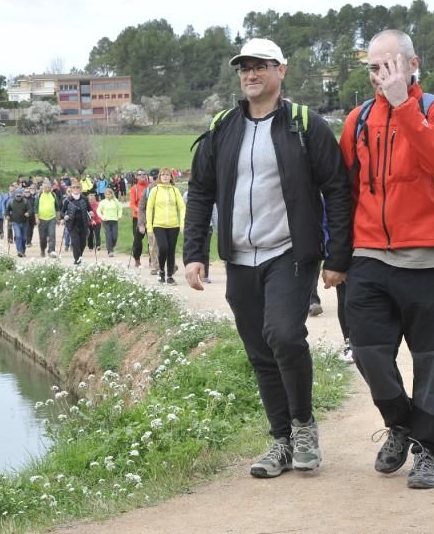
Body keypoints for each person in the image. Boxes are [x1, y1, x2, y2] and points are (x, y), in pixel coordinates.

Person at [184, 38, 352, 479]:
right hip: (239, 257)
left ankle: (303, 427)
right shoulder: (223, 127)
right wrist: (194, 253)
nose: (251, 74)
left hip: (290, 253)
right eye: (244, 67)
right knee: (259, 350)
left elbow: (337, 189)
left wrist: (338, 256)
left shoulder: (305, 125)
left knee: (285, 335)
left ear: (282, 70)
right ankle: (280, 440)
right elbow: (200, 192)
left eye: (260, 66)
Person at [337, 29, 434, 489]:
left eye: (388, 67)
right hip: (368, 253)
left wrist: (404, 105)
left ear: (412, 65)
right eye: (373, 68)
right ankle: (402, 424)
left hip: (426, 255)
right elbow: (345, 190)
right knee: (368, 353)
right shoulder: (358, 119)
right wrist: (337, 253)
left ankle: (431, 450)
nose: (379, 77)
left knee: (432, 362)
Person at [146, 168, 185, 285]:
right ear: (159, 177)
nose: (165, 176)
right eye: (162, 175)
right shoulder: (155, 190)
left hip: (173, 225)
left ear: (171, 177)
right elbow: (149, 208)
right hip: (159, 224)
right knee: (163, 248)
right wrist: (149, 227)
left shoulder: (175, 191)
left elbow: (182, 207)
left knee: (171, 251)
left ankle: (169, 276)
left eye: (167, 175)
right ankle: (161, 271)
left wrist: (182, 224)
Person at [138, 169, 162, 275]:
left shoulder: (165, 189)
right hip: (151, 222)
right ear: (150, 178)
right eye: (154, 178)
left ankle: (169, 264)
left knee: (166, 245)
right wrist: (141, 223)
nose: (156, 180)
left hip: (165, 221)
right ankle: (155, 266)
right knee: (153, 245)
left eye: (157, 177)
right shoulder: (148, 190)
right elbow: (141, 207)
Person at [62, 185, 91, 265]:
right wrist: (65, 216)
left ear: (80, 189)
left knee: (83, 243)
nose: (75, 189)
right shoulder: (67, 200)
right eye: (74, 187)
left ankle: (79, 256)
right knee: (75, 242)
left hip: (83, 223)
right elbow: (62, 212)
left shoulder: (84, 199)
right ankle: (77, 260)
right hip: (72, 224)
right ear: (71, 189)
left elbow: (89, 209)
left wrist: (91, 213)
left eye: (77, 187)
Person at [128, 170, 150, 267]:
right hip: (137, 218)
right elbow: (132, 204)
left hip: (150, 217)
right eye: (139, 174)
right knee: (137, 240)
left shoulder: (150, 187)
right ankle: (137, 259)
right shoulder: (134, 188)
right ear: (136, 176)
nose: (142, 176)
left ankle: (152, 259)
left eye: (144, 174)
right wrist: (140, 211)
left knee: (152, 239)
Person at [36, 182, 61, 257]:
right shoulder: (39, 195)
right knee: (43, 237)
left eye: (49, 187)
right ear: (43, 188)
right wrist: (36, 218)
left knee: (52, 235)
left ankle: (51, 251)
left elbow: (57, 207)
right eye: (46, 187)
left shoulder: (53, 195)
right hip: (41, 219)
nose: (48, 189)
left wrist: (58, 218)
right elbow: (35, 208)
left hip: (52, 218)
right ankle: (42, 250)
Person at [97, 187, 123, 257]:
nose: (108, 195)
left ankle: (111, 246)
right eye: (106, 194)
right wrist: (102, 217)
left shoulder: (116, 201)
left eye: (109, 194)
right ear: (105, 195)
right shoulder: (102, 202)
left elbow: (120, 209)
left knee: (114, 236)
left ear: (112, 194)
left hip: (114, 220)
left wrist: (119, 216)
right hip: (106, 221)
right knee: (108, 236)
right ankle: (110, 251)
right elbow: (98, 211)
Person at [7, 189, 31, 257]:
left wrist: (28, 213)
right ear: (15, 195)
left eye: (19, 196)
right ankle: (19, 251)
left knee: (24, 238)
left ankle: (23, 251)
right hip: (15, 222)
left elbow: (30, 209)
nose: (18, 197)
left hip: (24, 222)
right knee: (18, 236)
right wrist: (7, 215)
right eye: (17, 196)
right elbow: (7, 210)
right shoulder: (11, 202)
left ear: (22, 195)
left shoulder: (26, 202)